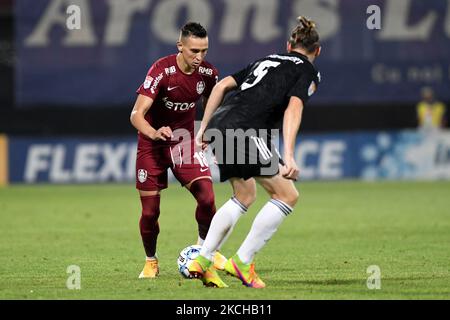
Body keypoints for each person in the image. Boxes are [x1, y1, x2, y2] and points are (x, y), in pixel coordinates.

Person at [186, 16, 322, 288]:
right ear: (317, 51)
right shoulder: (308, 71)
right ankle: (242, 262)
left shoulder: (266, 60)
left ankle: (202, 259)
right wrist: (291, 155)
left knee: (245, 194)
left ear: (288, 45)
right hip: (246, 129)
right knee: (287, 194)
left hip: (221, 123)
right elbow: (295, 107)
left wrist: (204, 128)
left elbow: (223, 84)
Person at [130, 22, 226, 284]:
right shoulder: (162, 71)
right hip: (152, 143)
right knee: (150, 212)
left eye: (204, 51)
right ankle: (151, 261)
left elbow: (214, 104)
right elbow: (136, 115)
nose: (199, 57)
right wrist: (154, 132)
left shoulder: (207, 73)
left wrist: (207, 130)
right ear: (180, 46)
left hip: (183, 142)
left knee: (207, 198)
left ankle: (204, 254)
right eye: (194, 50)